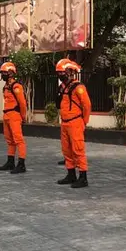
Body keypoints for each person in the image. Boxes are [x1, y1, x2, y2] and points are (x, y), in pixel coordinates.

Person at [55, 59, 91, 188]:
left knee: (78, 150)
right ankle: (71, 174)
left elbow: (87, 106)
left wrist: (84, 122)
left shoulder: (79, 87)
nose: (60, 75)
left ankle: (83, 177)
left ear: (70, 72)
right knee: (66, 150)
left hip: (75, 122)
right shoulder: (64, 87)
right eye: (58, 73)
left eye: (62, 72)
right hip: (65, 123)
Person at [0, 62, 28, 174]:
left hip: (14, 115)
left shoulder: (16, 86)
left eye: (4, 72)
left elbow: (22, 104)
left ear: (11, 73)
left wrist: (23, 117)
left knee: (18, 140)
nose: (3, 74)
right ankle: (10, 162)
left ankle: (21, 164)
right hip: (7, 115)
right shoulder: (6, 87)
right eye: (2, 72)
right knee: (9, 140)